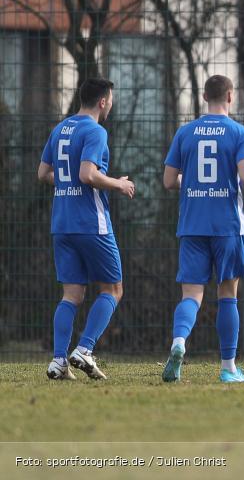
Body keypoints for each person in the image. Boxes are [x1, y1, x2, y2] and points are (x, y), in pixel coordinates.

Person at [161, 75, 244, 383]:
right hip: (227, 226)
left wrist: (190, 185)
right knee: (227, 293)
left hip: (192, 225)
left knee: (191, 294)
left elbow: (168, 181)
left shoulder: (185, 132)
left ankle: (179, 342)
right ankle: (229, 368)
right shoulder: (241, 133)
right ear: (230, 97)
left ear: (205, 96)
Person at [40, 77, 135, 381]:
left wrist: (67, 183)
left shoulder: (60, 129)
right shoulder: (96, 131)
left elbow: (43, 173)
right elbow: (87, 174)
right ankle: (84, 349)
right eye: (112, 99)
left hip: (62, 223)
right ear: (103, 101)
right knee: (114, 289)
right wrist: (118, 184)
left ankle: (57, 361)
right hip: (91, 223)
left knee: (72, 294)